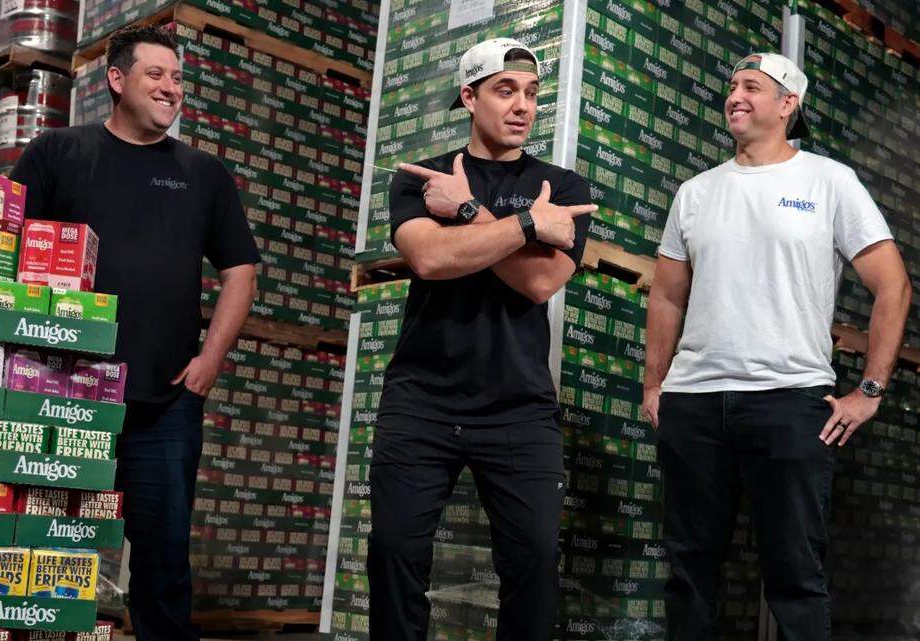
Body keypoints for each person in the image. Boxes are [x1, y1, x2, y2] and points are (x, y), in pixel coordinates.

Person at [644, 53, 912, 641]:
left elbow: (892, 283)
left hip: (790, 402)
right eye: (731, 87)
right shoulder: (695, 192)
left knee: (795, 574)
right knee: (689, 571)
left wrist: (869, 390)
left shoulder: (829, 180)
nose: (735, 96)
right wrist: (655, 384)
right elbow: (666, 296)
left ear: (788, 104)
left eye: (752, 87)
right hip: (695, 402)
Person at [10, 23, 260, 641]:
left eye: (177, 78)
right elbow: (4, 249)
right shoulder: (57, 154)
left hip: (165, 403)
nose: (171, 88)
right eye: (156, 74)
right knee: (45, 545)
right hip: (63, 395)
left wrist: (209, 361)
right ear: (117, 80)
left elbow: (241, 271)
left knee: (163, 558)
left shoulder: (203, 174)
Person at [367, 38, 598, 641]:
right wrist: (525, 226)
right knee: (394, 553)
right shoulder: (422, 178)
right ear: (469, 97)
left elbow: (540, 281)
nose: (522, 106)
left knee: (533, 563)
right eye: (505, 91)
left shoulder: (563, 188)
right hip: (421, 400)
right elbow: (430, 260)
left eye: (531, 94)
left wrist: (468, 211)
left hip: (517, 407)